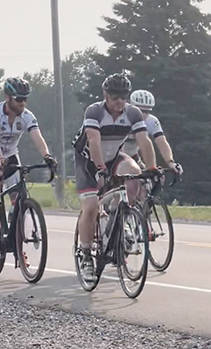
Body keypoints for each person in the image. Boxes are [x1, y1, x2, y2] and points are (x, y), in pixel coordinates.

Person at [71, 73, 157, 282]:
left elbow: (144, 141)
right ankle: (85, 256)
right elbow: (93, 141)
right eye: (115, 96)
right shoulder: (95, 111)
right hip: (88, 161)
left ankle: (125, 218)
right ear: (105, 95)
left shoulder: (133, 113)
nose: (120, 101)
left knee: (136, 173)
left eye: (123, 97)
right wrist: (100, 168)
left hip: (113, 157)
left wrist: (153, 168)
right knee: (91, 207)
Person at [0, 77, 56, 230]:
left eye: (25, 98)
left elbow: (38, 138)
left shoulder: (27, 116)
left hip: (11, 153)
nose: (23, 103)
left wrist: (47, 156)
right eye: (19, 98)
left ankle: (16, 233)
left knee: (17, 197)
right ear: (7, 97)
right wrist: (0, 158)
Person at [124, 89, 183, 176]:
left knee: (150, 180)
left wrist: (170, 162)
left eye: (147, 111)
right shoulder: (121, 118)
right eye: (139, 110)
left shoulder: (152, 121)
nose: (143, 115)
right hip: (112, 155)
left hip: (133, 156)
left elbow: (162, 142)